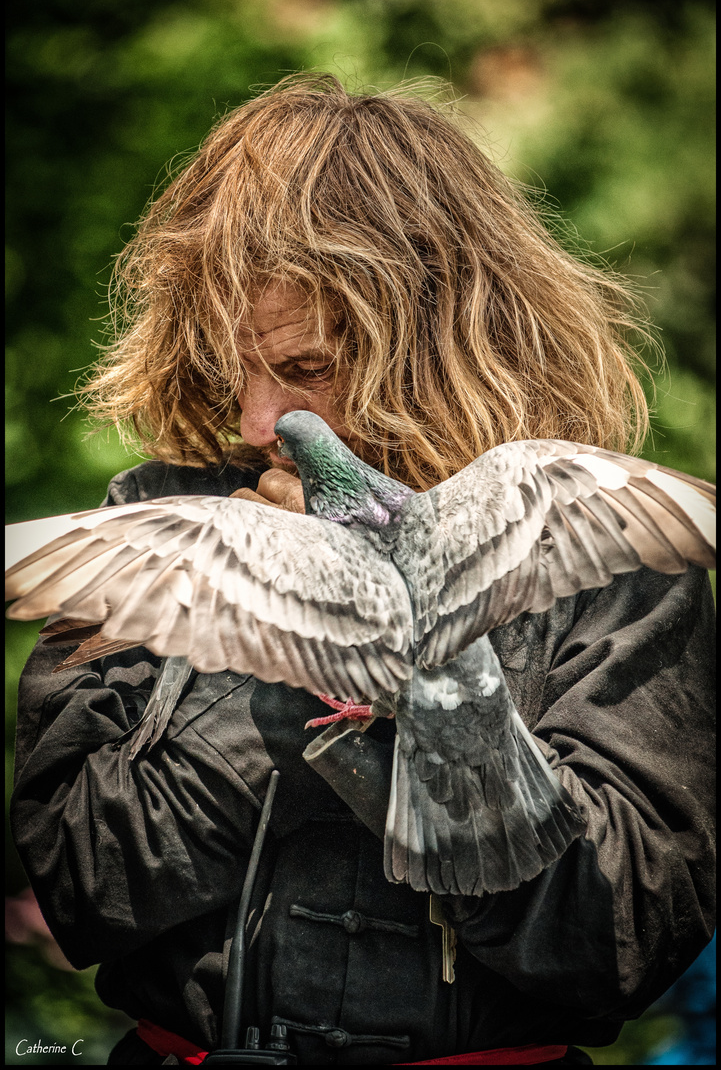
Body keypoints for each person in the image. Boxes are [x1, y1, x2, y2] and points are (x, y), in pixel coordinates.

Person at [10, 72, 715, 1066]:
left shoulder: (599, 550)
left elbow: (619, 945)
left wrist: (425, 701)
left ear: (436, 343)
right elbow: (82, 888)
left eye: (304, 369)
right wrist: (281, 652)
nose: (258, 421)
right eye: (234, 363)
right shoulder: (152, 518)